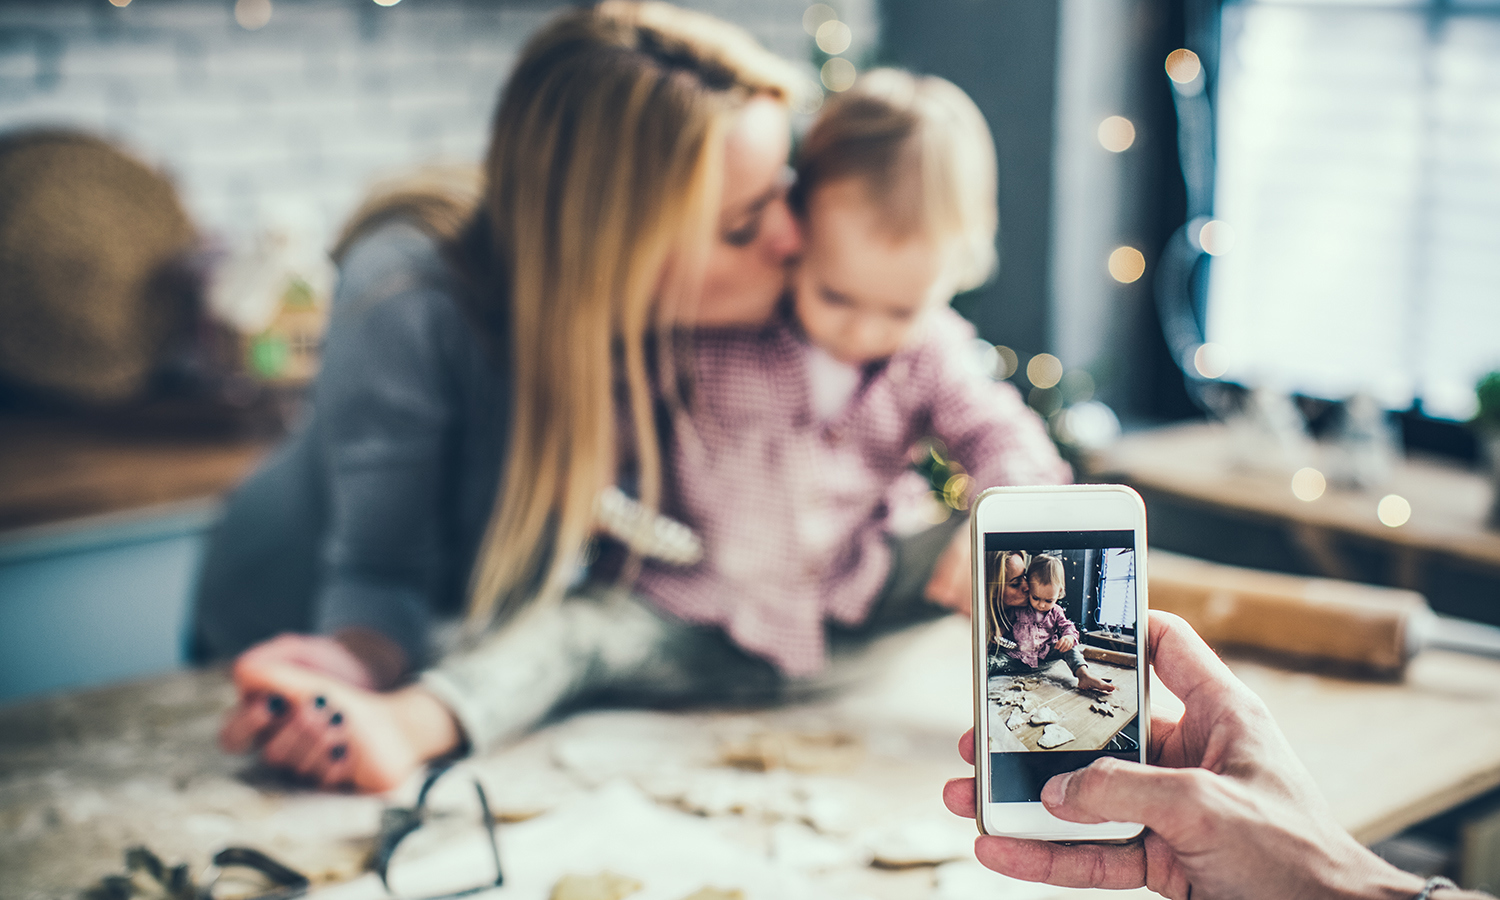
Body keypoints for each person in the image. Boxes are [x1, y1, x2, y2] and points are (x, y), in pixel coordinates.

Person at [630, 68, 1070, 678]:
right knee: (574, 634)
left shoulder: (931, 348)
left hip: (853, 591)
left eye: (900, 309)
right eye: (835, 297)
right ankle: (453, 709)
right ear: (798, 235)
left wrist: (1002, 530)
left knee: (1006, 562)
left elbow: (1001, 432)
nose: (863, 332)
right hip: (702, 597)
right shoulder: (726, 324)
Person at [945, 611, 1491, 900]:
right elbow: (1016, 646)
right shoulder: (1015, 619)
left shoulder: (1058, 614)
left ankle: (1084, 675)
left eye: (1045, 597)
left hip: (1063, 665)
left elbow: (1063, 630)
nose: (1039, 603)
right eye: (1031, 595)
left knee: (1082, 679)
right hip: (1026, 669)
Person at [989, 553, 1113, 694]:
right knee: (990, 661)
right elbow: (1005, 624)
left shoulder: (1056, 611)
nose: (1041, 605)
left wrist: (1069, 637)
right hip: (1017, 657)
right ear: (1030, 587)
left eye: (1048, 601)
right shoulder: (1019, 608)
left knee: (1070, 648)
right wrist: (998, 632)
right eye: (1036, 598)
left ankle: (1084, 675)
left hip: (1045, 656)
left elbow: (1067, 626)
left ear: (1059, 593)